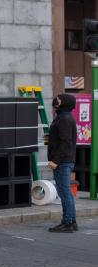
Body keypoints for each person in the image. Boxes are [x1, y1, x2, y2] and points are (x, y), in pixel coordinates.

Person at [47, 93, 77, 232]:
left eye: (58, 99)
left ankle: (67, 223)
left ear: (64, 102)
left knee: (64, 193)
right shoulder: (63, 117)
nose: (56, 100)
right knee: (66, 193)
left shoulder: (63, 118)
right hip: (64, 160)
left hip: (62, 161)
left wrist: (55, 160)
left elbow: (66, 142)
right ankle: (72, 221)